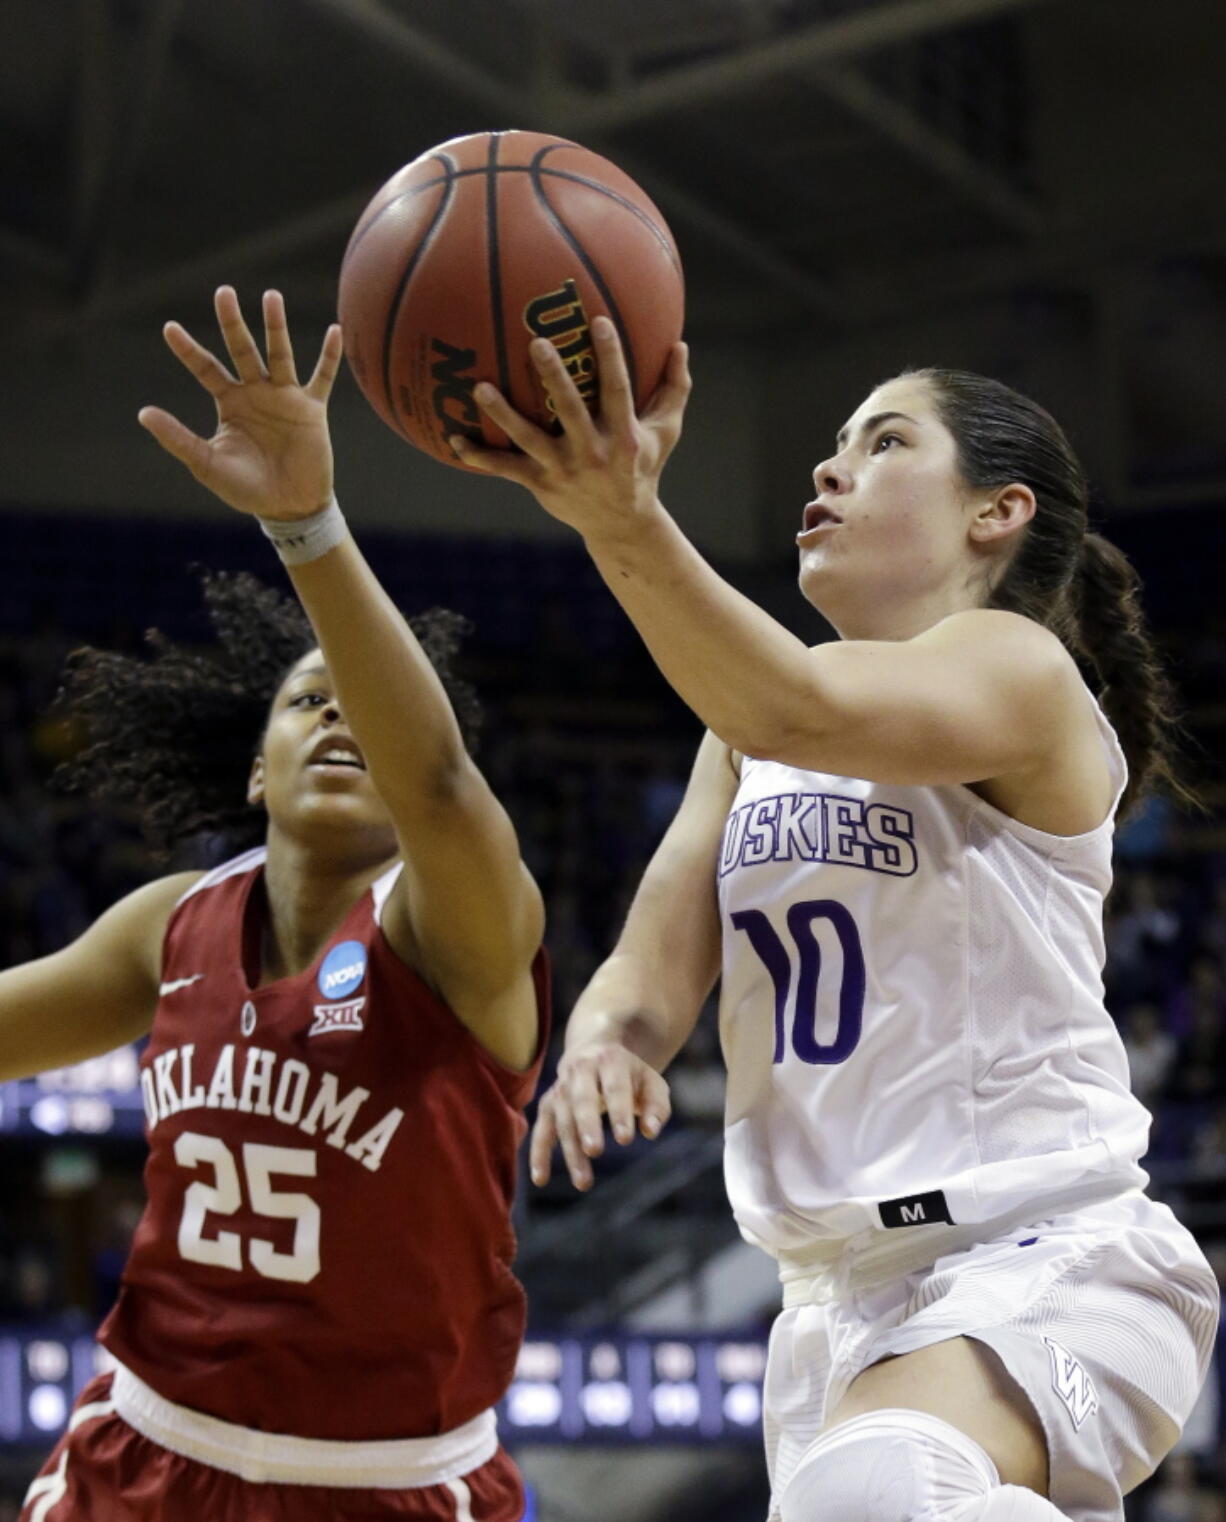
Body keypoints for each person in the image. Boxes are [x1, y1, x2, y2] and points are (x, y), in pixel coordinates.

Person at [451, 324, 1220, 1522]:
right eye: (833, 444)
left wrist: (620, 517)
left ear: (994, 512)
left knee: (870, 1489)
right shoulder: (741, 737)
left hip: (1044, 1254)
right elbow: (652, 968)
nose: (829, 469)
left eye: (883, 441)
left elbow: (794, 700)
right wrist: (608, 1043)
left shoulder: (1018, 670)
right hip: (825, 1306)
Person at [5, 287, 547, 1522]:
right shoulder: (172, 923)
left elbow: (446, 784)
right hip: (140, 1456)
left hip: (383, 1485)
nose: (340, 715)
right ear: (256, 767)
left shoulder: (457, 926)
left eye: (364, 701)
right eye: (307, 703)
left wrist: (307, 524)